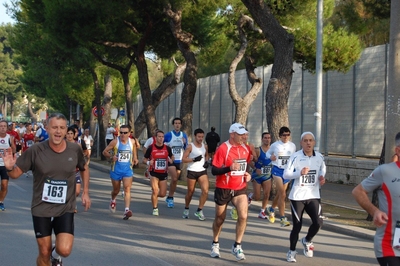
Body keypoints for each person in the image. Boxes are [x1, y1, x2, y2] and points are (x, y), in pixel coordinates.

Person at [1, 113, 91, 266]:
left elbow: (84, 168)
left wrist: (85, 192)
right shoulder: (35, 150)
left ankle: (56, 256)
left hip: (65, 207)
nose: (58, 131)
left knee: (65, 250)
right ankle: (49, 257)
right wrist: (9, 168)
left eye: (62, 128)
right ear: (47, 128)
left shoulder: (74, 149)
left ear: (66, 130)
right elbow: (16, 174)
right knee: (44, 252)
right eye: (54, 127)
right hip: (41, 207)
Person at [352, 132, 400, 266]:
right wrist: (375, 212)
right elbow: (358, 191)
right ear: (398, 151)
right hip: (389, 245)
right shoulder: (385, 171)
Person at [210, 123, 251, 261]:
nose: (243, 137)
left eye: (244, 134)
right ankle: (215, 243)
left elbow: (245, 167)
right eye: (240, 135)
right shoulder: (223, 148)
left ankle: (237, 245)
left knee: (243, 216)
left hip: (240, 188)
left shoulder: (246, 148)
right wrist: (228, 168)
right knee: (220, 218)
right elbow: (214, 170)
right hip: (223, 188)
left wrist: (247, 174)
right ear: (232, 134)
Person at [283, 132, 326, 262]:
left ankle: (307, 240)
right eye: (305, 141)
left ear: (314, 142)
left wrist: (322, 177)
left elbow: (323, 168)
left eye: (310, 140)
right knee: (297, 225)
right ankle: (291, 251)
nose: (308, 143)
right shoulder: (295, 157)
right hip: (298, 196)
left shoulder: (319, 157)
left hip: (313, 195)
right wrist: (299, 173)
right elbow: (286, 174)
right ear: (301, 143)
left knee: (318, 222)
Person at [102, 124, 139, 220]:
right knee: (116, 190)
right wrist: (111, 157)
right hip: (116, 170)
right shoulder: (115, 142)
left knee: (127, 189)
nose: (122, 134)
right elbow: (104, 152)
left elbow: (134, 150)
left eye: (125, 133)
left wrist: (135, 158)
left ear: (129, 133)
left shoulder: (132, 142)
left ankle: (126, 210)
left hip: (127, 170)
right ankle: (113, 199)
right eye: (121, 132)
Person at [265, 126, 296, 226]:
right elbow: (267, 153)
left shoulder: (292, 146)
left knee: (280, 194)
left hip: (287, 172)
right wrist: (271, 157)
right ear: (280, 136)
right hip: (277, 170)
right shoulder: (275, 145)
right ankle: (282, 218)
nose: (286, 137)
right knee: (283, 194)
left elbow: (294, 158)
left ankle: (271, 208)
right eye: (284, 135)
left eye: (288, 135)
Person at [142, 130, 174, 216]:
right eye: (159, 137)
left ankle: (154, 197)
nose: (161, 138)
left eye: (162, 137)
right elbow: (144, 160)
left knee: (163, 194)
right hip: (153, 172)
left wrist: (171, 160)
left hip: (163, 173)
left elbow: (172, 156)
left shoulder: (167, 148)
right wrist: (149, 163)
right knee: (155, 190)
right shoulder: (151, 148)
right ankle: (155, 208)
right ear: (155, 138)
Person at [181, 128, 209, 220]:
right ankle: (186, 208)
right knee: (190, 192)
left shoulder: (204, 146)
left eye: (202, 137)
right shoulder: (190, 146)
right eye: (199, 137)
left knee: (205, 190)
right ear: (195, 136)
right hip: (192, 171)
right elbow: (184, 159)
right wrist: (193, 159)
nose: (200, 138)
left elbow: (206, 155)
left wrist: (207, 162)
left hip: (202, 171)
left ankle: (199, 210)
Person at [164, 117, 188, 208]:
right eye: (175, 123)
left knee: (175, 180)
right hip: (171, 160)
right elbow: (163, 146)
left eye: (179, 123)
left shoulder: (183, 135)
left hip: (179, 160)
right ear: (173, 125)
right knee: (174, 179)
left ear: (181, 125)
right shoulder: (168, 135)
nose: (177, 125)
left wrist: (185, 143)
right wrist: (167, 157)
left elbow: (186, 149)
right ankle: (170, 198)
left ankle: (170, 196)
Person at [249, 132, 273, 219]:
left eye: (269, 138)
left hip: (267, 176)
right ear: (262, 139)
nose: (267, 139)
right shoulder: (258, 150)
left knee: (267, 194)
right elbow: (249, 161)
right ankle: (251, 196)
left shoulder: (273, 150)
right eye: (265, 138)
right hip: (257, 176)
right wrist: (255, 168)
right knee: (257, 197)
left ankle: (262, 212)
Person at [0, 120, 16, 211]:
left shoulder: (9, 138)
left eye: (4, 126)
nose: (2, 128)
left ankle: (1, 202)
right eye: (1, 126)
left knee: (4, 185)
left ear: (7, 128)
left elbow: (13, 149)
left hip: (5, 165)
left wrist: (11, 152)